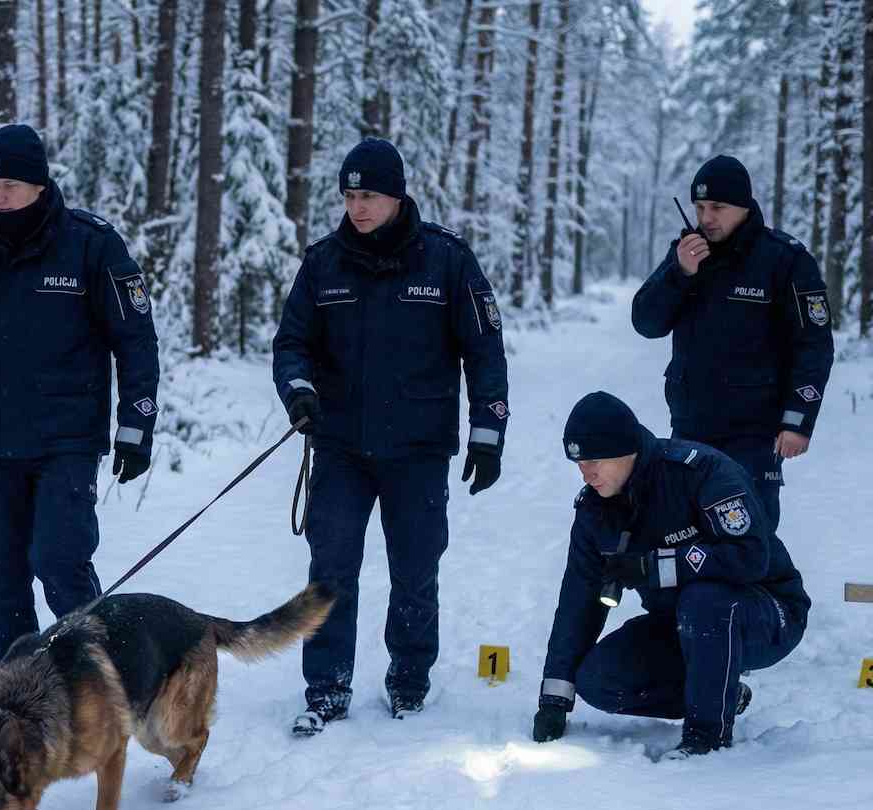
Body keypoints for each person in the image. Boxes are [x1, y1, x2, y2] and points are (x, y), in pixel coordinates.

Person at [0, 124, 160, 675]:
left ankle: (100, 680)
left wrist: (135, 426)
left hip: (68, 438)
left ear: (39, 184)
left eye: (9, 186)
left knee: (59, 561)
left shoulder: (91, 244)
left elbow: (135, 341)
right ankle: (12, 690)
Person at [271, 138, 509, 732]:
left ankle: (408, 680)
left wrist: (488, 431)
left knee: (415, 570)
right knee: (330, 570)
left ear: (397, 197)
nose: (357, 208)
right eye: (349, 197)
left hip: (419, 449)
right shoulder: (323, 263)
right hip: (340, 447)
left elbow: (484, 351)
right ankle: (326, 688)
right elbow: (292, 342)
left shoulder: (447, 260)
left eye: (369, 197)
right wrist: (298, 390)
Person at [533, 392, 810, 760]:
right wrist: (554, 698)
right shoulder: (595, 510)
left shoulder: (700, 472)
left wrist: (655, 566)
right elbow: (578, 600)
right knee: (599, 680)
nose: (587, 473)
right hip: (681, 623)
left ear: (626, 449)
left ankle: (706, 738)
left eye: (595, 460)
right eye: (579, 463)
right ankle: (723, 693)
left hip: (766, 612)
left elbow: (749, 558)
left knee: (704, 600)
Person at [631, 155, 833, 526]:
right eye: (700, 207)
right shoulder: (687, 253)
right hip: (690, 426)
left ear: (743, 205)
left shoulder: (784, 259)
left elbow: (814, 345)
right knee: (686, 534)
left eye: (717, 207)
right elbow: (646, 323)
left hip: (754, 435)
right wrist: (680, 274)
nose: (706, 217)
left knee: (751, 538)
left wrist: (797, 421)